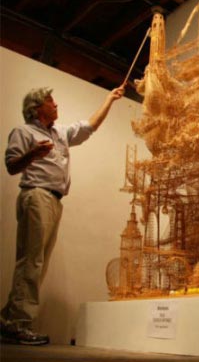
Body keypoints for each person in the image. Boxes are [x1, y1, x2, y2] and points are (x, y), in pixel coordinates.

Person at [0, 84, 126, 345]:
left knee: (37, 263)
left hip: (54, 201)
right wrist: (33, 153)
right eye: (50, 100)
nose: (55, 104)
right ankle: (19, 324)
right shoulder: (24, 132)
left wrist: (109, 99)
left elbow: (89, 126)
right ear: (36, 108)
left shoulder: (59, 133)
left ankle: (9, 320)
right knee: (32, 262)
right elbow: (11, 166)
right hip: (37, 195)